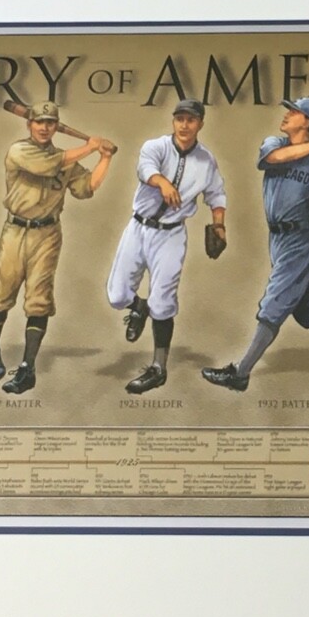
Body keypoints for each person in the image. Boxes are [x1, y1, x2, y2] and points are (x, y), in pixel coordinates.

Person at [202, 96, 309, 391]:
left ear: (307, 121)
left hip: (301, 240)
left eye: (294, 112)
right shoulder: (275, 144)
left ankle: (240, 374)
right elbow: (272, 160)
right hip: (278, 239)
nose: (287, 115)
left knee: (273, 304)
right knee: (303, 308)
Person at [0, 100, 113, 395]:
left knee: (39, 300)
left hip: (48, 234)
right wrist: (91, 146)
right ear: (29, 124)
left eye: (50, 123)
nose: (44, 127)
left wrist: (105, 158)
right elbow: (46, 165)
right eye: (39, 122)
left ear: (56, 127)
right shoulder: (20, 150)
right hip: (16, 231)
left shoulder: (66, 159)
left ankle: (27, 369)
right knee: (1, 294)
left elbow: (85, 189)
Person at [106, 97, 226, 395]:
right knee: (117, 296)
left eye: (191, 120)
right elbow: (145, 168)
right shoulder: (155, 146)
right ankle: (139, 306)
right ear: (173, 121)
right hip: (139, 228)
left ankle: (158, 368)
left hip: (172, 235)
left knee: (163, 303)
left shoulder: (206, 160)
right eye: (179, 119)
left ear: (200, 123)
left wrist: (219, 225)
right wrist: (162, 182)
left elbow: (216, 194)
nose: (184, 125)